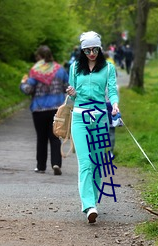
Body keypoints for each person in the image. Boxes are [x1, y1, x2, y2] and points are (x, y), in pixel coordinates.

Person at [66, 31, 119, 223]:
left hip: (100, 118)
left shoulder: (108, 68)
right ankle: (89, 205)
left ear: (100, 48)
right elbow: (72, 97)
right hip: (80, 117)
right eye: (87, 50)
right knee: (85, 163)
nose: (91, 53)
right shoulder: (74, 68)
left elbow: (112, 90)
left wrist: (114, 104)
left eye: (94, 49)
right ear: (82, 50)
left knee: (97, 163)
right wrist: (71, 92)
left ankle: (93, 200)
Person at [20, 45, 69, 175]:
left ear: (39, 57)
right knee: (54, 137)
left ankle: (41, 166)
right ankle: (56, 163)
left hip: (39, 109)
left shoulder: (35, 71)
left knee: (41, 138)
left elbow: (28, 90)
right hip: (56, 109)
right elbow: (67, 87)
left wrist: (23, 83)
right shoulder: (60, 70)